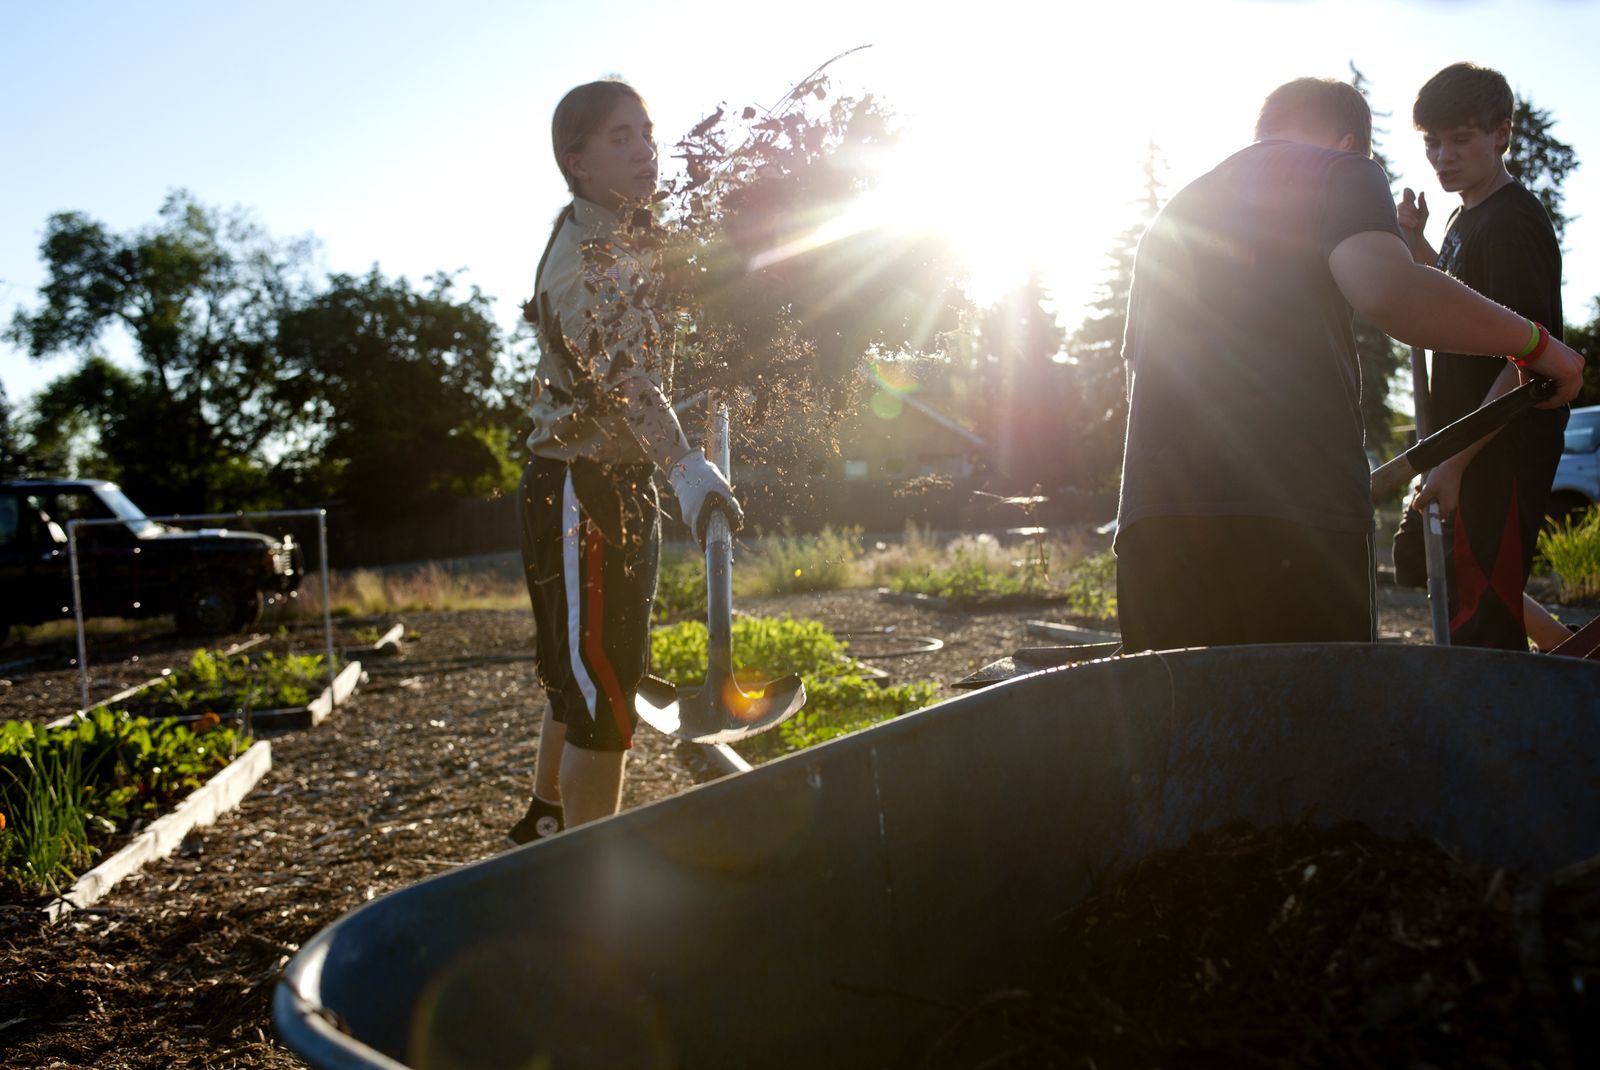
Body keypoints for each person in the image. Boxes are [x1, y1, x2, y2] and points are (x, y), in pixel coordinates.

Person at [1113, 76, 1584, 654]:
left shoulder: (1176, 212)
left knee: (1187, 733)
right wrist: (1540, 347)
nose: (1443, 157)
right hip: (1297, 522)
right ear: (1347, 142)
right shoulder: (1339, 169)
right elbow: (1388, 291)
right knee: (1316, 730)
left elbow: (1133, 367)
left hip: (1155, 526)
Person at [507, 80, 744, 845]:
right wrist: (683, 465)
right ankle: (586, 881)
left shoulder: (623, 234)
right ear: (575, 161)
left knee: (581, 673)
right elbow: (624, 379)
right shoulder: (585, 261)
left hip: (603, 481)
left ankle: (547, 818)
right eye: (620, 138)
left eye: (646, 131)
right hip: (582, 490)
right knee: (605, 694)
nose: (646, 148)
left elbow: (645, 353)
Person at [1390, 62, 1570, 651]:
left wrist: (1455, 464)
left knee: (1482, 617)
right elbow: (1454, 292)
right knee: (1481, 584)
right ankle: (1583, 662)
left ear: (1501, 134)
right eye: (1432, 142)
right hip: (1468, 440)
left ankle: (1505, 735)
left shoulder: (1514, 223)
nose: (1442, 156)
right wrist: (1414, 238)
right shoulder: (1467, 215)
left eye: (1460, 139)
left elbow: (1528, 361)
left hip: (1504, 444)